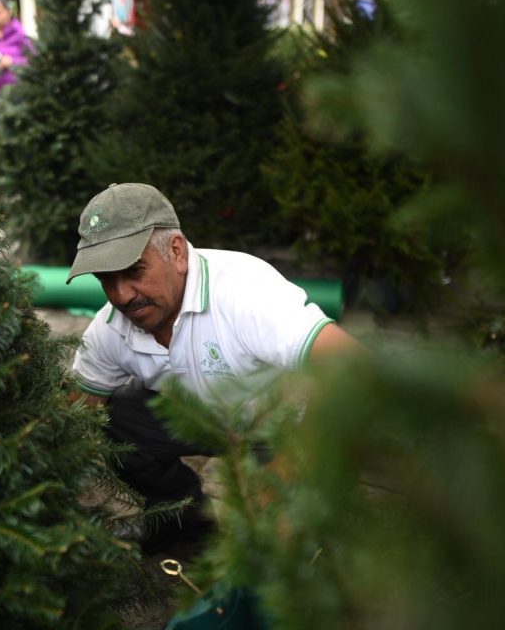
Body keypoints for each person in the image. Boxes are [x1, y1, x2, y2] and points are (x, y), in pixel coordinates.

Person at [67, 183, 360, 551]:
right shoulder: (110, 327)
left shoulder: (245, 293)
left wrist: (285, 471)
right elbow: (76, 412)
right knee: (120, 417)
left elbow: (352, 368)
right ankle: (188, 533)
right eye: (106, 280)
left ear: (176, 252)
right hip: (204, 419)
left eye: (134, 271)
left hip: (280, 427)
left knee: (293, 550)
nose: (122, 295)